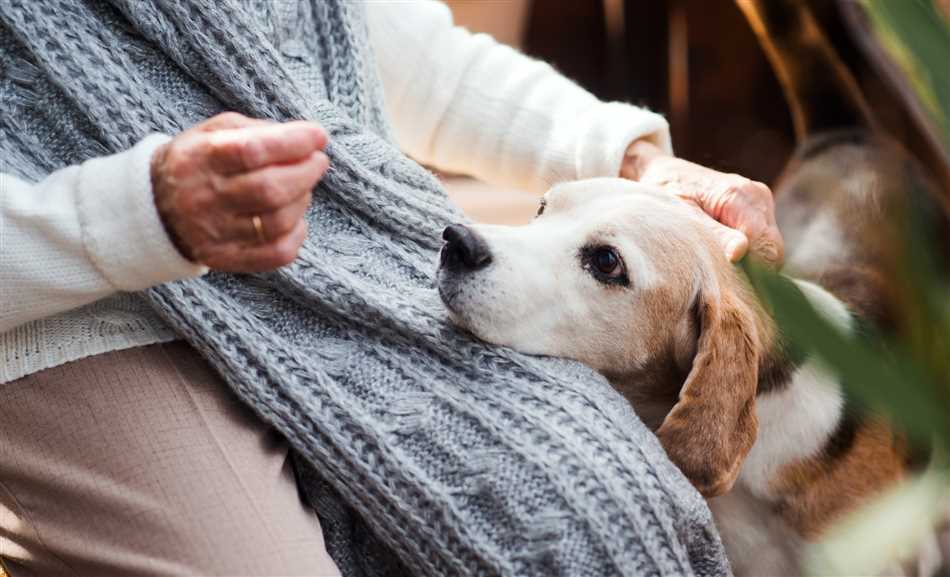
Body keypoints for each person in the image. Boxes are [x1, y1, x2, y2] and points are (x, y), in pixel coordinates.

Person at [0, 1, 782, 575]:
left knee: (608, 512)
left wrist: (635, 161)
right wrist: (141, 214)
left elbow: (409, 59)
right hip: (80, 315)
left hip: (344, 268)